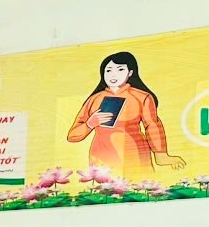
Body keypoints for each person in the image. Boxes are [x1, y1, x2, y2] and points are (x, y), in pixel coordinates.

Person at [66, 50, 185, 179]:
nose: (113, 74)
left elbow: (152, 125)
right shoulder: (94, 99)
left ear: (130, 73)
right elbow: (72, 136)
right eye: (108, 70)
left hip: (134, 153)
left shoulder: (142, 97)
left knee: (139, 187)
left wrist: (161, 155)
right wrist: (90, 124)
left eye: (120, 69)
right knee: (105, 189)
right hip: (102, 154)